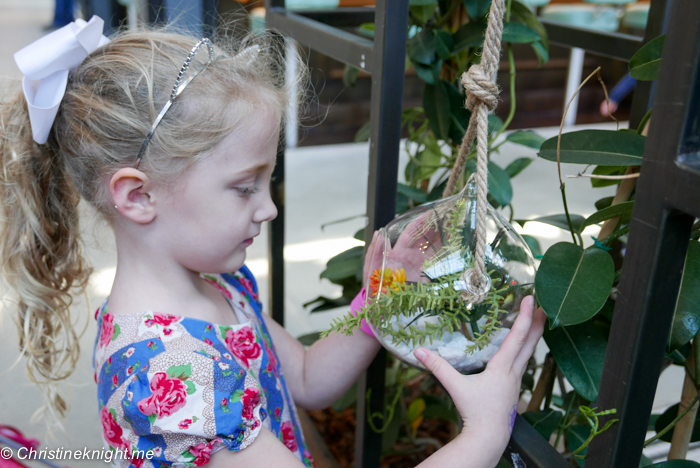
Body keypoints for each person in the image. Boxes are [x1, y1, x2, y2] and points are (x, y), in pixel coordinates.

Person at [1, 16, 546, 468]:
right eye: (244, 187)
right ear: (138, 197)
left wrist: (378, 300)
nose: (269, 207)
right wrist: (483, 433)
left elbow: (307, 380)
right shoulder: (169, 373)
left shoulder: (215, 285)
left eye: (267, 181)